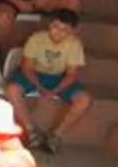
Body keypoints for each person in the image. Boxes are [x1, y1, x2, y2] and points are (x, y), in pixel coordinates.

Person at [6, 10, 93, 153]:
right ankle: (31, 131)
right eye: (56, 26)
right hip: (35, 73)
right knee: (12, 89)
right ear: (50, 25)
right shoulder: (36, 38)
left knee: (84, 99)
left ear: (73, 31)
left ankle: (56, 135)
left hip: (59, 77)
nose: (58, 32)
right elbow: (27, 67)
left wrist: (54, 91)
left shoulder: (74, 44)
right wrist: (39, 87)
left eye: (64, 29)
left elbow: (71, 74)